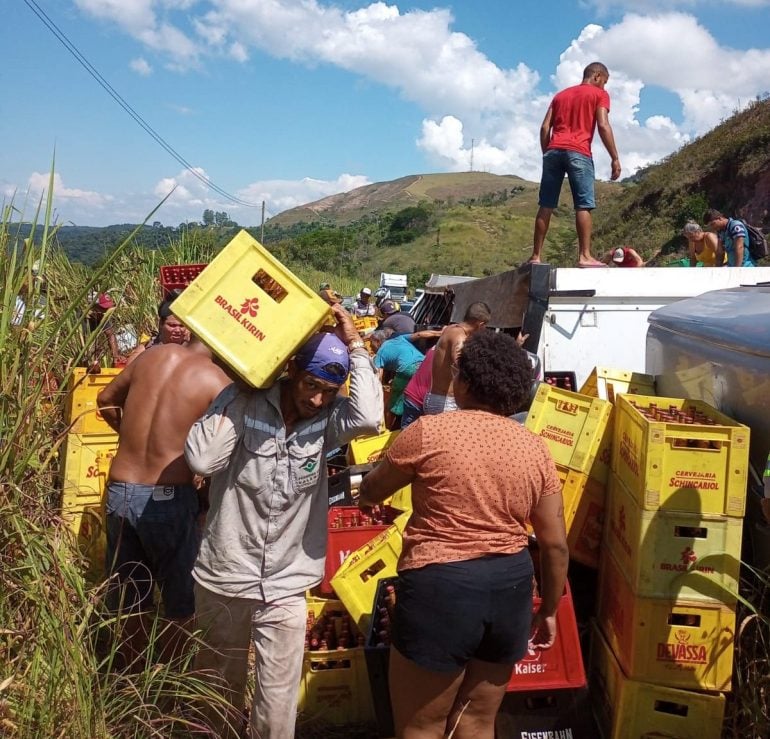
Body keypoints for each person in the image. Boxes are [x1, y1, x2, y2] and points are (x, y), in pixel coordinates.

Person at [185, 304, 382, 739]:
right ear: (291, 370)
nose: (317, 399)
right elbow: (201, 457)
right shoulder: (247, 404)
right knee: (217, 689)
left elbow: (369, 417)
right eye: (312, 385)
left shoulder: (329, 421)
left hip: (287, 581)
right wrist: (237, 388)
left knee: (277, 701)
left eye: (329, 391)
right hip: (225, 574)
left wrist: (356, 345)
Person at [358, 330, 568, 739]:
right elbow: (554, 542)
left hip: (442, 586)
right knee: (476, 722)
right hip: (509, 587)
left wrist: (366, 495)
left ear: (466, 382)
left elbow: (374, 489)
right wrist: (549, 609)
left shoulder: (429, 432)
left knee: (422, 726)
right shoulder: (534, 448)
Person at [96, 336, 232, 665]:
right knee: (180, 602)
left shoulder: (150, 356)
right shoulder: (217, 380)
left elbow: (105, 399)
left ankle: (131, 680)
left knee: (131, 596)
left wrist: (130, 438)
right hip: (167, 498)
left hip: (120, 490)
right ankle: (170, 682)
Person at [528, 61, 622, 267]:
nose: (604, 87)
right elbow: (603, 125)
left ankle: (535, 256)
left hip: (553, 150)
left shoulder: (560, 95)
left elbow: (545, 128)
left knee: (546, 204)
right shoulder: (599, 95)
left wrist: (548, 152)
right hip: (579, 152)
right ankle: (585, 256)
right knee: (583, 205)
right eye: (604, 82)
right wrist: (614, 157)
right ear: (597, 76)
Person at [424, 301, 491, 415]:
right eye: (485, 326)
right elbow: (462, 364)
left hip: (436, 398)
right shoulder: (460, 337)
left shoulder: (450, 329)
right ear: (480, 324)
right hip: (446, 403)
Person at [370, 328, 426, 427]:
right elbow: (419, 335)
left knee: (391, 405)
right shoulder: (399, 339)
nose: (370, 347)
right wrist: (439, 333)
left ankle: (387, 428)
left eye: (371, 343)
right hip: (424, 364)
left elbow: (377, 376)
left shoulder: (381, 352)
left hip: (408, 369)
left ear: (378, 341)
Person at [124, 296, 190, 365]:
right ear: (161, 324)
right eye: (172, 325)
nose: (178, 330)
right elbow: (128, 370)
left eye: (181, 326)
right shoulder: (146, 348)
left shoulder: (192, 347)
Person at [401, 346, 435, 429]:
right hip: (425, 400)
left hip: (413, 395)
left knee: (407, 433)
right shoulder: (457, 349)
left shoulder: (436, 346)